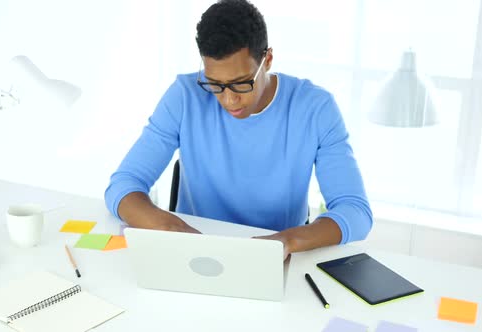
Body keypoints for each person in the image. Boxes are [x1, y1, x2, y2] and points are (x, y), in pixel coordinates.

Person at [105, 0, 372, 258]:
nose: (228, 99)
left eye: (241, 83)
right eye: (215, 84)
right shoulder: (185, 97)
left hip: (279, 255)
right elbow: (123, 186)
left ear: (267, 60)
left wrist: (287, 241)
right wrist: (167, 226)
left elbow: (355, 211)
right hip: (196, 250)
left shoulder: (315, 108)